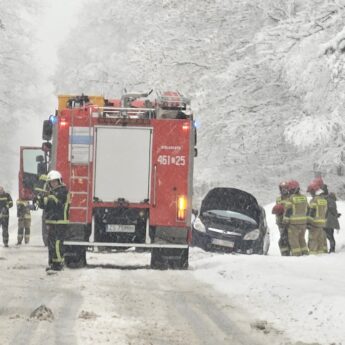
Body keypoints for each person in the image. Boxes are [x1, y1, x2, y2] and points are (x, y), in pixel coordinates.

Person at [37, 170, 70, 271]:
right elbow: (44, 206)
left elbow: (58, 203)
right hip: (51, 221)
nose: (53, 183)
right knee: (50, 243)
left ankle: (58, 263)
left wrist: (48, 196)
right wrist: (40, 198)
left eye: (55, 181)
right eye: (51, 182)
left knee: (57, 243)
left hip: (60, 221)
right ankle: (52, 263)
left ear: (59, 181)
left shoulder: (63, 191)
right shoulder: (51, 192)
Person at [283, 180, 309, 256]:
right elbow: (308, 209)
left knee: (293, 240)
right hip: (303, 223)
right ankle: (305, 253)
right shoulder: (304, 198)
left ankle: (297, 255)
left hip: (293, 223)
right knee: (302, 239)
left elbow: (288, 210)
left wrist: (285, 221)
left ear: (291, 189)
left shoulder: (291, 198)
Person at [307, 179, 328, 254]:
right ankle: (321, 254)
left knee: (313, 239)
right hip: (322, 223)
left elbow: (312, 212)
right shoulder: (324, 200)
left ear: (314, 191)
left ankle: (313, 255)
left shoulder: (314, 200)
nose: (310, 194)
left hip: (314, 224)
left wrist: (308, 223)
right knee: (320, 239)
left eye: (311, 192)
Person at [272, 181, 290, 256]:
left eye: (285, 188)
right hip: (280, 222)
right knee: (283, 238)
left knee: (288, 238)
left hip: (289, 222)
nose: (283, 190)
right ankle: (285, 253)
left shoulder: (291, 198)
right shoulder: (278, 199)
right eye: (282, 188)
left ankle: (288, 252)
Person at [322, 184, 340, 253]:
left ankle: (332, 249)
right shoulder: (329, 199)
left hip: (328, 220)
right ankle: (330, 248)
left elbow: (332, 209)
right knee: (328, 235)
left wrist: (335, 214)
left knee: (329, 235)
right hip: (328, 220)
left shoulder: (329, 199)